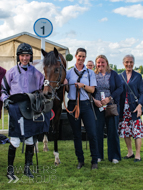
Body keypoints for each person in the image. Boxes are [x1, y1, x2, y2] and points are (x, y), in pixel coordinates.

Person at [1, 43, 48, 180]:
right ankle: (10, 171)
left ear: (30, 56)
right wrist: (5, 100)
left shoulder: (37, 73)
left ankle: (27, 169)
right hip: (16, 108)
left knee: (30, 140)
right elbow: (3, 89)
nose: (25, 58)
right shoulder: (11, 72)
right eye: (22, 55)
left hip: (30, 108)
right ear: (18, 57)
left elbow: (44, 88)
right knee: (15, 140)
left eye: (27, 55)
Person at [64, 48, 98, 170]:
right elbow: (67, 89)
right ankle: (80, 160)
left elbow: (93, 90)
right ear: (75, 56)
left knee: (92, 133)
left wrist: (83, 86)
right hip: (73, 105)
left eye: (83, 56)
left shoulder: (90, 73)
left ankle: (94, 160)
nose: (81, 58)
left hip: (86, 104)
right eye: (79, 56)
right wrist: (65, 83)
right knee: (76, 134)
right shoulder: (69, 72)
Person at [93, 55, 122, 164]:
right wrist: (95, 101)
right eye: (98, 63)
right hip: (98, 107)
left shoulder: (113, 74)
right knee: (98, 131)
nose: (100, 65)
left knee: (112, 131)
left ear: (107, 63)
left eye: (102, 62)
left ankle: (114, 156)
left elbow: (120, 88)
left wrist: (109, 98)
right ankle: (99, 155)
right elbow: (90, 90)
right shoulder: (93, 74)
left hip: (111, 106)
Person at [118, 54, 143, 162]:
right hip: (124, 108)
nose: (129, 64)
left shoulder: (138, 76)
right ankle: (130, 152)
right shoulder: (120, 76)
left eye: (131, 62)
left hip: (135, 107)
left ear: (133, 63)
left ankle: (137, 154)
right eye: (127, 62)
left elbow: (142, 92)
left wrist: (140, 105)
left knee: (137, 131)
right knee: (126, 130)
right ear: (123, 63)